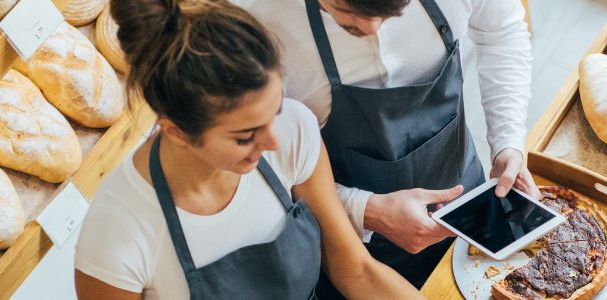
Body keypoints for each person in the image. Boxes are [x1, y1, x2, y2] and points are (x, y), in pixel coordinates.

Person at [72, 1, 421, 298]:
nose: (273, 142)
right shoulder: (117, 232)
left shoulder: (294, 130)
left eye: (277, 110)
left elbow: (358, 271)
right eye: (245, 136)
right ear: (176, 131)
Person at [232, 0, 535, 296]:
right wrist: (366, 210)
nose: (371, 27)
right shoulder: (253, 21)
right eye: (347, 7)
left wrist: (507, 141)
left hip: (469, 215)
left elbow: (501, 32)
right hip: (351, 251)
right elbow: (262, 169)